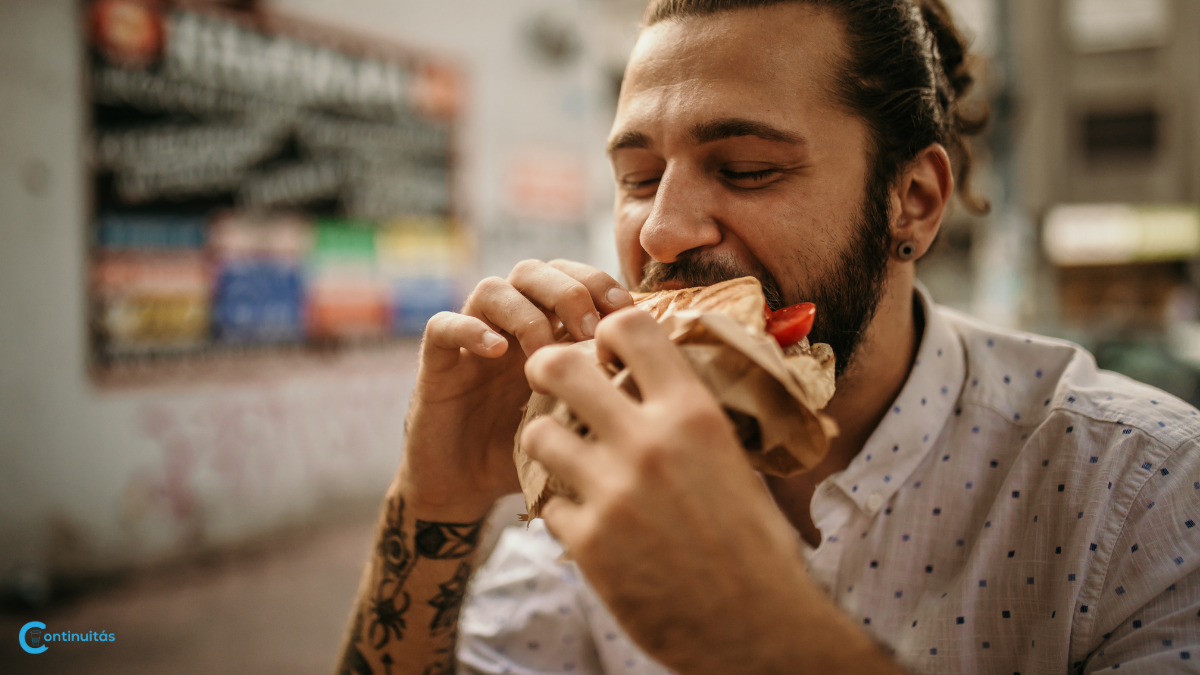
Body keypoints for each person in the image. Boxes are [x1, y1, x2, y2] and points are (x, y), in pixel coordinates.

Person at [336, 1, 1200, 673]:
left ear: (913, 202)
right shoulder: (603, 461)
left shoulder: (1146, 492)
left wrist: (764, 635)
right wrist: (434, 499)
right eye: (637, 177)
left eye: (746, 169)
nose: (662, 229)